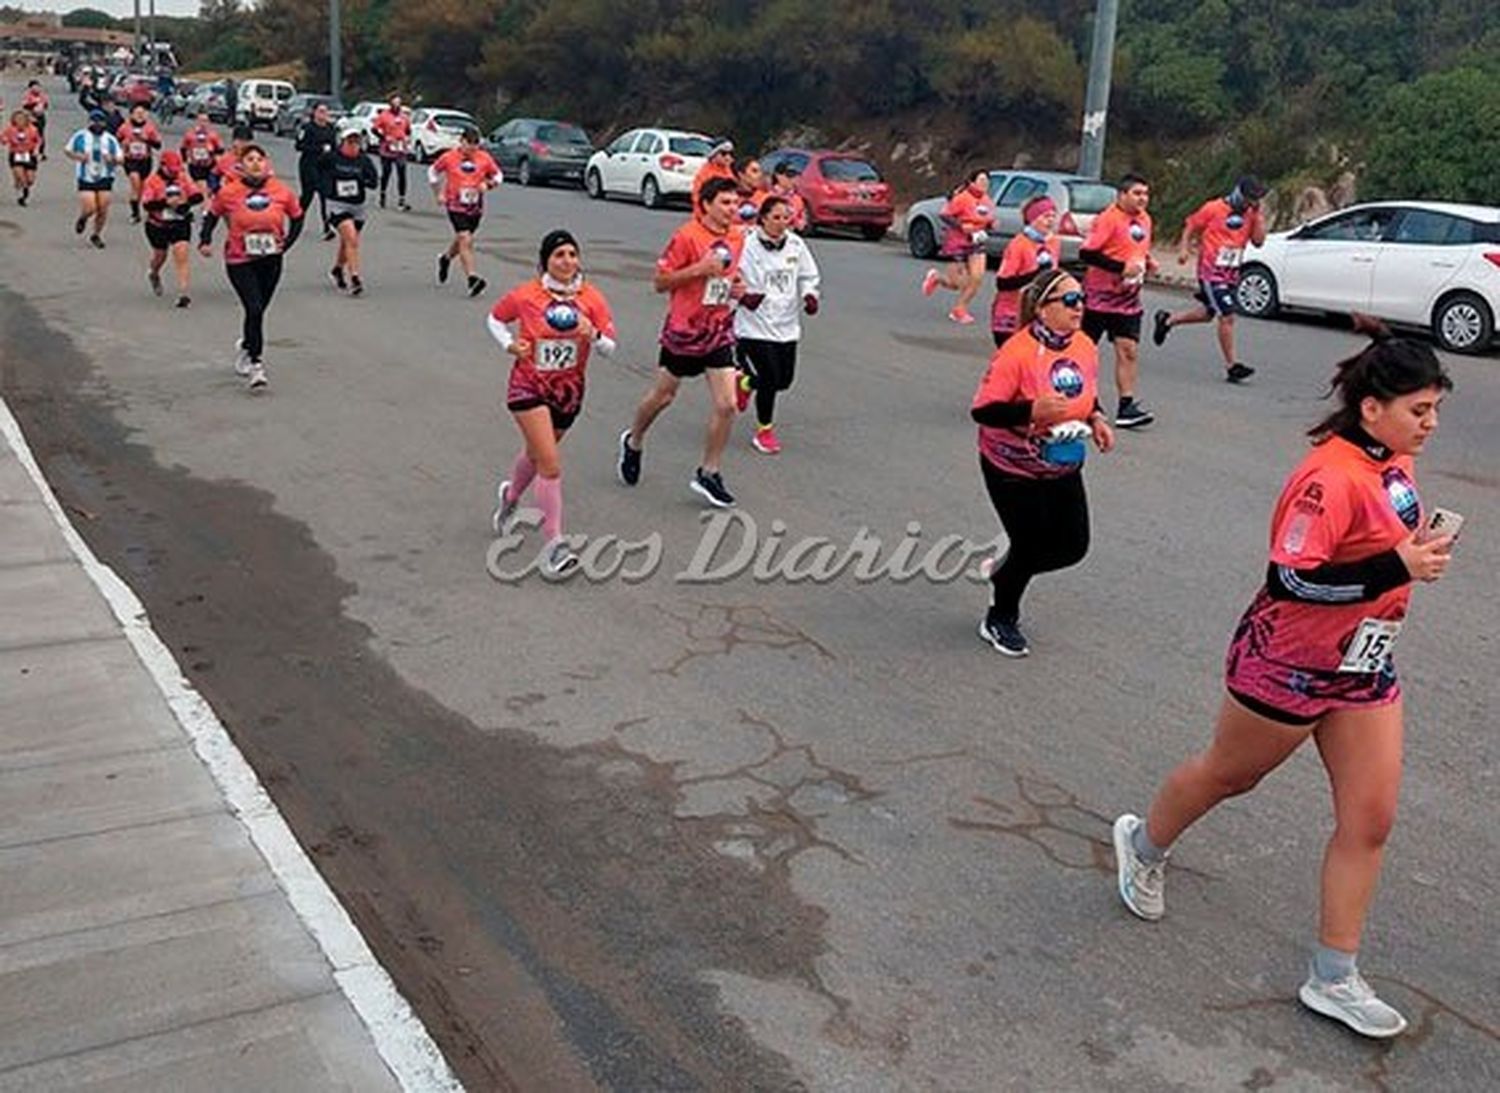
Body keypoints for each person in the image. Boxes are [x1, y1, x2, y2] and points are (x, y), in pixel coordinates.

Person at [1112, 321, 1456, 1041]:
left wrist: (1410, 552)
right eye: (1418, 410)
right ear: (1372, 407)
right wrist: (1397, 567)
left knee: (1371, 818)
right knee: (1228, 775)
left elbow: (1381, 544)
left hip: (1362, 665)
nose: (1429, 425)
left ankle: (1334, 975)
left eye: (1435, 411)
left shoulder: (1393, 460)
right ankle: (1143, 845)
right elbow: (1292, 579)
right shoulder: (1327, 477)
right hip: (1288, 662)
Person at [971, 268, 1114, 656]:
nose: (1079, 306)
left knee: (1072, 545)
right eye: (1069, 300)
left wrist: (1097, 418)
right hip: (1011, 466)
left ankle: (1005, 571)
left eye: (1081, 298)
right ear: (1042, 309)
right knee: (1030, 544)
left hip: (1062, 461)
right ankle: (1000, 616)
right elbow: (983, 411)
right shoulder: (1015, 353)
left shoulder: (1084, 345)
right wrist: (1031, 409)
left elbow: (1087, 393)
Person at [487, 229, 619, 576]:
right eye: (559, 255)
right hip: (527, 386)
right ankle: (555, 545)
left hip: (569, 392)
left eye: (572, 255)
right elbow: (495, 318)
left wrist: (593, 334)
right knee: (550, 463)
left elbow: (610, 348)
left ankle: (510, 498)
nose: (567, 261)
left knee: (536, 454)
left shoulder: (592, 298)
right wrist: (509, 345)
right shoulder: (528, 295)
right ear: (545, 260)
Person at [618, 176, 746, 508]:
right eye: (725, 203)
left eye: (735, 203)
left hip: (718, 328)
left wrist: (737, 288)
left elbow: (730, 275)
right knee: (663, 397)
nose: (732, 210)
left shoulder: (736, 236)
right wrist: (698, 269)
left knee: (727, 404)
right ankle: (634, 439)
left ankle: (709, 471)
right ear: (706, 204)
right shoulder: (686, 236)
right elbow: (660, 282)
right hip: (684, 331)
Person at [199, 145, 304, 391]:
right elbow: (211, 215)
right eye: (250, 159)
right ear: (241, 165)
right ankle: (256, 364)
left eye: (260, 159)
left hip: (271, 258)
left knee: (259, 310)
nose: (255, 163)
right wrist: (205, 240)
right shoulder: (229, 192)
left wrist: (286, 244)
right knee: (254, 307)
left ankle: (247, 344)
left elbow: (297, 217)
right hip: (240, 259)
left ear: (266, 164)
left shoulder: (281, 190)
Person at [1154, 175, 1270, 383]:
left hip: (1231, 272)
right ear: (1239, 194)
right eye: (1251, 198)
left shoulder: (1251, 213)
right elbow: (1190, 225)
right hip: (1210, 271)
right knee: (1227, 315)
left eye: (1256, 199)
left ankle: (1167, 320)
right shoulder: (1214, 208)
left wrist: (1259, 217)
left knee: (1208, 314)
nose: (1253, 202)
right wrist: (1184, 249)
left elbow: (1259, 242)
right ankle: (1232, 365)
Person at [732, 195, 821, 455]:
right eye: (776, 218)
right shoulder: (746, 245)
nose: (782, 223)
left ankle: (746, 383)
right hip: (754, 323)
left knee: (784, 381)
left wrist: (809, 295)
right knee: (770, 379)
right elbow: (728, 275)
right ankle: (764, 431)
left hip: (786, 324)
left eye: (786, 218)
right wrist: (742, 295)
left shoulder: (795, 244)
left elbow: (808, 274)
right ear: (763, 219)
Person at [1081, 173, 1159, 429]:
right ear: (1122, 195)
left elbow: (1138, 249)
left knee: (1129, 350)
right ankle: (1085, 401)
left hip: (1128, 299)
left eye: (1145, 194)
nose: (1142, 199)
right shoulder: (1108, 219)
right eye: (1137, 194)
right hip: (1098, 299)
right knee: (1085, 351)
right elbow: (1087, 253)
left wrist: (1148, 262)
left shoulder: (1145, 220)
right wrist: (1119, 268)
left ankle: (1126, 406)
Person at [428, 127, 502, 297]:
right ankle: (472, 278)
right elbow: (432, 171)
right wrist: (438, 193)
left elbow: (498, 175)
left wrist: (488, 185)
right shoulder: (449, 157)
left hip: (475, 206)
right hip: (455, 205)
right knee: (465, 238)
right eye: (469, 146)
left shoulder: (484, 158)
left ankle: (446, 258)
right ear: (462, 142)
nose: (472, 150)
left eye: (476, 147)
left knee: (463, 240)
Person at [922, 170, 996, 325]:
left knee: (977, 278)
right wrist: (962, 227)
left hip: (977, 242)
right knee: (957, 283)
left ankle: (960, 309)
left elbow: (987, 220)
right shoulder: (962, 198)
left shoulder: (987, 201)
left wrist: (990, 226)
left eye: (987, 182)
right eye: (981, 181)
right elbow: (945, 215)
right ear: (971, 182)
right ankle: (937, 278)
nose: (984, 185)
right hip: (957, 243)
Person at [991, 196, 1062, 348]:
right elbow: (1003, 283)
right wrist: (1037, 275)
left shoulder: (1054, 242)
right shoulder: (1019, 244)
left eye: (1053, 216)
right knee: (1010, 363)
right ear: (1032, 219)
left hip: (1037, 314)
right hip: (1010, 313)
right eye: (1045, 217)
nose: (1050, 221)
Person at [141, 150, 203, 308]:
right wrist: (166, 203)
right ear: (162, 166)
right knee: (160, 256)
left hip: (179, 223)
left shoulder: (182, 178)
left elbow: (198, 196)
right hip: (157, 225)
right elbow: (147, 204)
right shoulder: (153, 181)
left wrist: (185, 203)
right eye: (171, 171)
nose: (174, 174)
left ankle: (183, 293)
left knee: (181, 255)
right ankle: (153, 273)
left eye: (177, 170)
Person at [324, 130, 378, 296]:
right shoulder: (332, 157)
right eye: (350, 142)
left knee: (348, 241)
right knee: (351, 238)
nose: (354, 146)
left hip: (357, 206)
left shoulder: (364, 160)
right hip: (337, 204)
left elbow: (374, 181)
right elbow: (317, 170)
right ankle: (355, 278)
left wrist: (363, 180)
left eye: (357, 143)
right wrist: (323, 187)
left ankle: (338, 269)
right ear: (343, 142)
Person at [65, 109, 121, 248]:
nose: (97, 124)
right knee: (90, 207)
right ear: (89, 122)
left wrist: (112, 159)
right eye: (94, 121)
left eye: (100, 121)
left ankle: (96, 234)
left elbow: (121, 158)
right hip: (86, 176)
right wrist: (77, 156)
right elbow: (67, 150)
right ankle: (83, 218)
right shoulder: (80, 136)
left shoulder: (110, 139)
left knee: (103, 208)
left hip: (105, 176)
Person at [295, 101, 339, 239]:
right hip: (309, 165)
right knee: (307, 197)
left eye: (325, 111)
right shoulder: (307, 128)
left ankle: (327, 228)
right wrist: (318, 149)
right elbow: (299, 146)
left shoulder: (331, 128)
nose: (323, 114)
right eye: (320, 111)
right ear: (314, 113)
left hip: (324, 168)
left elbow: (335, 147)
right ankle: (296, 223)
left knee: (325, 197)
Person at [117, 102, 162, 223]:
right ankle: (135, 214)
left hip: (145, 160)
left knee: (142, 187)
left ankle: (137, 207)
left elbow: (158, 145)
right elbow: (116, 141)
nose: (140, 116)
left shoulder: (150, 128)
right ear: (131, 114)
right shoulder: (125, 127)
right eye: (137, 113)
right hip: (130, 160)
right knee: (135, 182)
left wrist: (146, 139)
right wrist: (121, 149)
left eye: (142, 113)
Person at [372, 94, 411, 210]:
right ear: (390, 104)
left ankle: (401, 200)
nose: (397, 105)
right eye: (395, 103)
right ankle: (382, 195)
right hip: (387, 148)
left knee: (402, 172)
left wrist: (407, 138)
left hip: (400, 148)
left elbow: (408, 130)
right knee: (386, 173)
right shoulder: (384, 115)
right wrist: (383, 137)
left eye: (399, 103)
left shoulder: (404, 116)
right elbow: (374, 129)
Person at [2, 109, 41, 206]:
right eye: (17, 119)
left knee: (30, 180)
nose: (19, 121)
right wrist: (5, 140)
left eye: (22, 119)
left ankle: (22, 184)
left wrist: (37, 150)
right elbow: (3, 139)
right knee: (21, 177)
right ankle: (23, 196)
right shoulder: (10, 129)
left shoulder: (32, 129)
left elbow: (38, 141)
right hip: (16, 155)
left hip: (29, 155)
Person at [181, 109, 223, 187]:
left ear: (208, 122)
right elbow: (183, 148)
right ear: (197, 121)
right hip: (195, 166)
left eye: (205, 121)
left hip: (209, 165)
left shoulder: (213, 135)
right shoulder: (190, 134)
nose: (203, 124)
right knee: (197, 186)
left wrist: (212, 152)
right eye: (201, 121)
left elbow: (220, 151)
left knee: (208, 188)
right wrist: (185, 162)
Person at [692, 139, 736, 208]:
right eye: (723, 154)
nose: (728, 157)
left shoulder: (729, 171)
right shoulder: (705, 173)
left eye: (731, 154)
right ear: (714, 155)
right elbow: (698, 199)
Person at [769, 161, 806, 230]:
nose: (793, 180)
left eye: (794, 176)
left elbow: (802, 224)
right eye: (789, 176)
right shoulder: (769, 196)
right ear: (778, 176)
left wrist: (796, 222)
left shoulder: (797, 199)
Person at [733, 158, 767, 226]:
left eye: (760, 171)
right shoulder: (727, 196)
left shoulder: (766, 198)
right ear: (741, 174)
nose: (760, 175)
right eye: (754, 171)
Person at [21, 79, 48, 159]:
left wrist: (41, 107)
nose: (36, 88)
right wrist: (33, 105)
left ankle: (41, 152)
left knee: (41, 135)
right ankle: (29, 151)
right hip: (31, 117)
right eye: (34, 87)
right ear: (30, 88)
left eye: (38, 86)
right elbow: (25, 106)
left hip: (41, 117)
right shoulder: (28, 96)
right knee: (30, 135)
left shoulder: (42, 96)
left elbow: (45, 105)